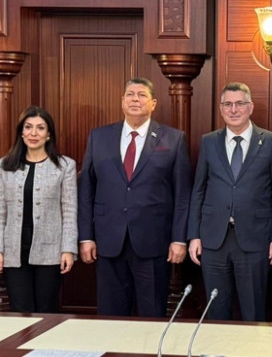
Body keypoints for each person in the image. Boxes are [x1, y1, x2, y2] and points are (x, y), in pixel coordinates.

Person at [78, 77, 191, 317]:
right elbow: (87, 189)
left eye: (141, 95)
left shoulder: (173, 139)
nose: (135, 99)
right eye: (130, 94)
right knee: (111, 315)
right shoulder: (99, 137)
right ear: (122, 101)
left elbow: (182, 195)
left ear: (153, 103)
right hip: (108, 240)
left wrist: (179, 239)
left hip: (153, 241)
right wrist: (86, 236)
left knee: (152, 314)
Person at [187, 83, 272, 321]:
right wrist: (194, 235)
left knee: (254, 311)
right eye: (228, 104)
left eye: (239, 103)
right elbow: (198, 191)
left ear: (250, 107)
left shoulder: (271, 142)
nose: (233, 110)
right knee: (216, 310)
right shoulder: (209, 141)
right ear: (221, 109)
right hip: (213, 239)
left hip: (255, 239)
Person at [0, 106, 77, 313]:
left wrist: (68, 249)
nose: (33, 133)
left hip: (51, 250)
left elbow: (69, 211)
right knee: (20, 309)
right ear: (21, 132)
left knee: (46, 310)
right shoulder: (3, 166)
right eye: (28, 127)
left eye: (40, 128)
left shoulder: (64, 166)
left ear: (48, 134)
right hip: (13, 250)